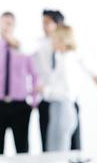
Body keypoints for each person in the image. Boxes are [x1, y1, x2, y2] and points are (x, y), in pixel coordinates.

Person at [0, 12, 39, 154]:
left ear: (14, 26)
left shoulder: (24, 51)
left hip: (20, 107)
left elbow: (35, 76)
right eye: (4, 23)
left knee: (23, 150)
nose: (6, 26)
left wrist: (34, 103)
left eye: (10, 23)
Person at [44, 25, 97, 151]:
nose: (52, 41)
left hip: (63, 108)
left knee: (58, 153)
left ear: (62, 39)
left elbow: (68, 90)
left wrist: (46, 91)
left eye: (54, 38)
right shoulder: (60, 57)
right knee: (55, 150)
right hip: (58, 108)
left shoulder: (71, 58)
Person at [34, 10, 67, 151]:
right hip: (46, 103)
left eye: (47, 23)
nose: (43, 26)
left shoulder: (68, 50)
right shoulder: (40, 45)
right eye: (43, 23)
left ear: (58, 25)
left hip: (65, 104)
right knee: (48, 149)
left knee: (71, 148)